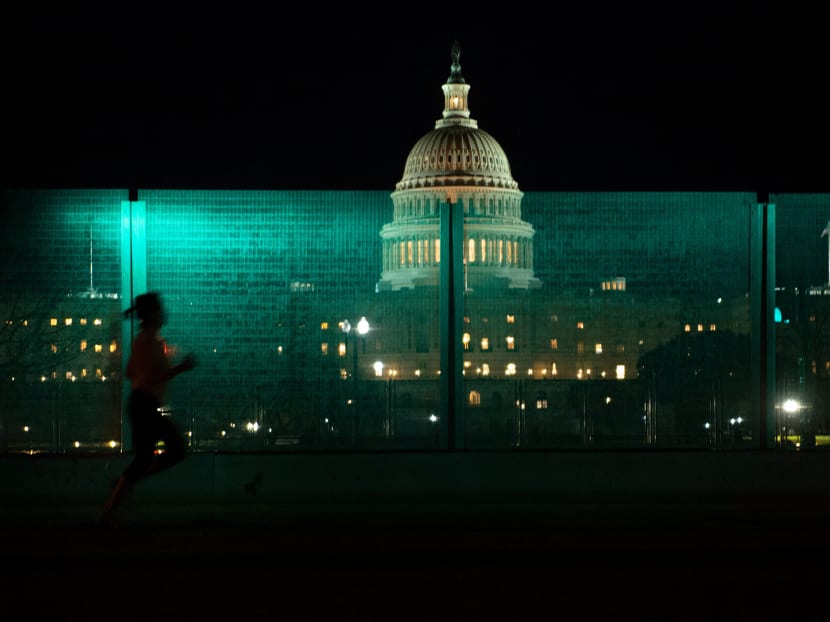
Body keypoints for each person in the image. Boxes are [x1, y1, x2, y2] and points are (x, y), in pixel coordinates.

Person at [101, 292, 197, 525]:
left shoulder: (148, 342)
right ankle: (113, 503)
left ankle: (117, 497)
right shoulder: (146, 342)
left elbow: (131, 372)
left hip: (143, 404)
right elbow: (147, 377)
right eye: (160, 309)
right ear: (153, 314)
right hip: (145, 404)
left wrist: (161, 362)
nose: (164, 313)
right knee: (174, 450)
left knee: (148, 458)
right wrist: (179, 368)